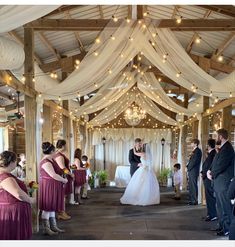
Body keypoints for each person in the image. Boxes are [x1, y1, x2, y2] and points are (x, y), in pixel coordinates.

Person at [0, 151, 33, 240]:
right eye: (15, 161)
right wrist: (31, 200)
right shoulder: (4, 176)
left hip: (12, 209)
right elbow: (19, 194)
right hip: (13, 212)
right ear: (11, 162)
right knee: (14, 235)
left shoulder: (6, 174)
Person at [207, 128, 234, 236]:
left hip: (223, 182)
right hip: (218, 182)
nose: (215, 138)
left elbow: (221, 165)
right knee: (220, 206)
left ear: (221, 137)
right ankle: (222, 226)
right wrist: (209, 170)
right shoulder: (222, 148)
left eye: (216, 136)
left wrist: (212, 174)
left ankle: (228, 229)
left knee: (225, 206)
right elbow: (215, 162)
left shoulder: (228, 149)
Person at [39, 142, 67, 235]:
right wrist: (63, 180)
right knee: (47, 207)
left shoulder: (50, 160)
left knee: (52, 207)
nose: (56, 152)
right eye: (54, 150)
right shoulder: (46, 162)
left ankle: (54, 227)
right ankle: (47, 229)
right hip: (48, 185)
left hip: (52, 185)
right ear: (51, 151)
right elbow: (53, 175)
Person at [54, 139, 74, 220]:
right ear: (63, 146)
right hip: (62, 176)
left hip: (63, 176)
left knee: (63, 195)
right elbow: (62, 167)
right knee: (62, 196)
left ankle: (62, 212)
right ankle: (61, 213)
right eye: (65, 145)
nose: (66, 147)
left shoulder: (59, 154)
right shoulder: (59, 155)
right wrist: (70, 174)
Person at [200, 139, 217, 222]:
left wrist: (204, 174)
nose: (206, 146)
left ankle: (213, 215)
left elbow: (210, 166)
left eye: (207, 145)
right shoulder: (211, 154)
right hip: (206, 177)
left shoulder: (213, 154)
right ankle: (210, 213)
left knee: (210, 197)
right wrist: (202, 172)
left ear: (209, 145)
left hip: (208, 178)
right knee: (208, 197)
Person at [186, 138, 202, 205]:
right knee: (191, 185)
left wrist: (188, 168)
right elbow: (191, 161)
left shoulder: (198, 151)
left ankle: (194, 200)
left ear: (195, 143)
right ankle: (191, 199)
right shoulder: (194, 151)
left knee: (193, 185)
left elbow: (194, 162)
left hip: (194, 170)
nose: (191, 144)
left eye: (192, 143)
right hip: (191, 170)